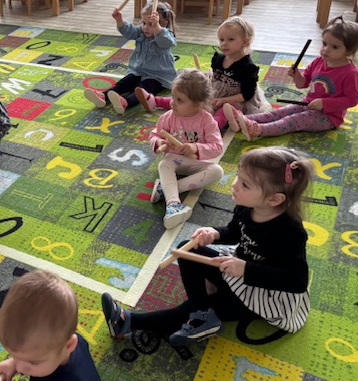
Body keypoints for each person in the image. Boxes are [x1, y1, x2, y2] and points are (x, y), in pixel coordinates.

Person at [101, 146, 314, 349]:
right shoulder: (246, 206)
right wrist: (215, 233)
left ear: (275, 199)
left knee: (192, 308)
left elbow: (296, 281)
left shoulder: (290, 232)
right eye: (238, 177)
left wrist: (246, 269)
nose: (234, 184)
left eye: (245, 184)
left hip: (265, 295)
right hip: (237, 269)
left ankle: (128, 322)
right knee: (187, 250)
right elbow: (235, 232)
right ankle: (202, 315)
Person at [225, 16, 358, 140]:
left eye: (335, 47)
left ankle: (258, 130)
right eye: (324, 43)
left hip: (329, 116)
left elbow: (352, 100)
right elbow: (302, 84)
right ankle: (243, 120)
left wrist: (324, 103)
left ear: (349, 51)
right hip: (307, 103)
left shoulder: (350, 73)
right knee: (280, 112)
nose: (326, 49)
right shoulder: (319, 61)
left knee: (293, 120)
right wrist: (297, 75)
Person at [137, 16, 269, 126]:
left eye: (230, 39)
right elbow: (215, 78)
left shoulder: (247, 67)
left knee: (225, 110)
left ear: (245, 42)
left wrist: (224, 100)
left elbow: (246, 94)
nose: (224, 43)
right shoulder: (218, 59)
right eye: (221, 40)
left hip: (235, 100)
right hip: (215, 92)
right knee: (189, 96)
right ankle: (155, 101)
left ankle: (212, 125)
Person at [0, 270, 100, 381]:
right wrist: (14, 363)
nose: (20, 369)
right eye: (14, 356)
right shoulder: (61, 341)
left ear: (69, 345)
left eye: (33, 362)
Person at [149, 69, 224, 229]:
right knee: (164, 164)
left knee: (217, 171)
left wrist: (196, 147)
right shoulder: (168, 117)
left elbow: (217, 147)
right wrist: (160, 143)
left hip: (197, 163)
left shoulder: (207, 120)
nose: (172, 103)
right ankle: (173, 204)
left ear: (197, 104)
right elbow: (154, 135)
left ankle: (166, 188)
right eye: (173, 97)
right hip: (175, 160)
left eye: (180, 100)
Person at [84, 1, 177, 114]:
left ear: (163, 24)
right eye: (144, 23)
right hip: (139, 72)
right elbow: (130, 31)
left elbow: (166, 42)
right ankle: (103, 96)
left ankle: (126, 102)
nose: (146, 27)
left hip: (158, 77)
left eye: (151, 24)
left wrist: (157, 27)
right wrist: (120, 20)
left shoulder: (165, 35)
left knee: (141, 90)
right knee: (124, 83)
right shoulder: (141, 32)